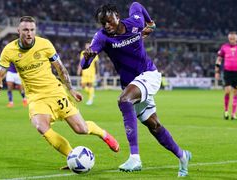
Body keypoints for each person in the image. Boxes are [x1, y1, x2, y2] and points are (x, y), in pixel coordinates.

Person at [0, 16, 119, 169]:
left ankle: (103, 134)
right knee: (41, 126)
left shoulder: (45, 44)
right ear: (18, 31)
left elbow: (60, 68)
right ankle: (73, 156)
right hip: (35, 97)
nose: (29, 33)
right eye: (25, 30)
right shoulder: (9, 50)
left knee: (81, 129)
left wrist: (70, 89)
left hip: (55, 92)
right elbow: (0, 73)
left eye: (32, 30)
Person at [81, 2, 191, 177]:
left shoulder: (135, 22)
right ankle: (182, 155)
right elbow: (85, 64)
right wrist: (87, 58)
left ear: (117, 16)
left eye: (109, 21)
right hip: (132, 84)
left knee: (124, 100)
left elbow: (136, 4)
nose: (107, 26)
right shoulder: (101, 37)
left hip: (149, 75)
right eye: (103, 24)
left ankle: (135, 158)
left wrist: (150, 23)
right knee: (153, 125)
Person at [215, 31, 237, 120]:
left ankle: (233, 114)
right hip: (227, 72)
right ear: (228, 38)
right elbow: (219, 59)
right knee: (227, 91)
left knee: (236, 93)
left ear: (236, 38)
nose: (232, 40)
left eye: (233, 38)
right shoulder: (224, 47)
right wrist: (217, 71)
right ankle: (226, 112)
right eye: (230, 38)